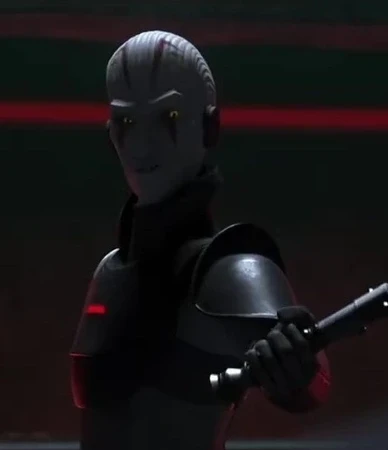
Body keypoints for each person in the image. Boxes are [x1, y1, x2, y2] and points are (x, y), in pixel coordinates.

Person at [69, 30, 331, 450]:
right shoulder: (110, 271)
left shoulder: (229, 268)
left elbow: (312, 381)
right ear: (110, 131)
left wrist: (295, 364)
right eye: (127, 122)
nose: (142, 144)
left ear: (210, 126)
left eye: (169, 117)